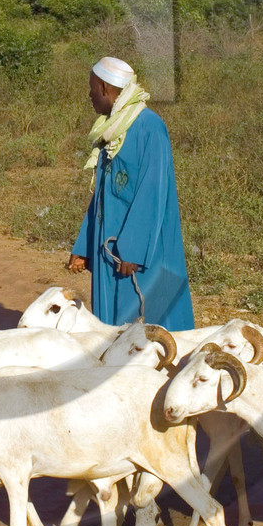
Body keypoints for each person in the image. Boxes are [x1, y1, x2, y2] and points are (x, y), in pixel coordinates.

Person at [67, 56, 194, 331]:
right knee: (113, 330)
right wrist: (84, 248)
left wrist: (133, 249)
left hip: (140, 252)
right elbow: (103, 194)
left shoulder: (150, 127)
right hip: (109, 246)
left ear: (103, 87)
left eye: (91, 88)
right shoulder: (112, 129)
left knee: (151, 328)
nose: (89, 95)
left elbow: (152, 192)